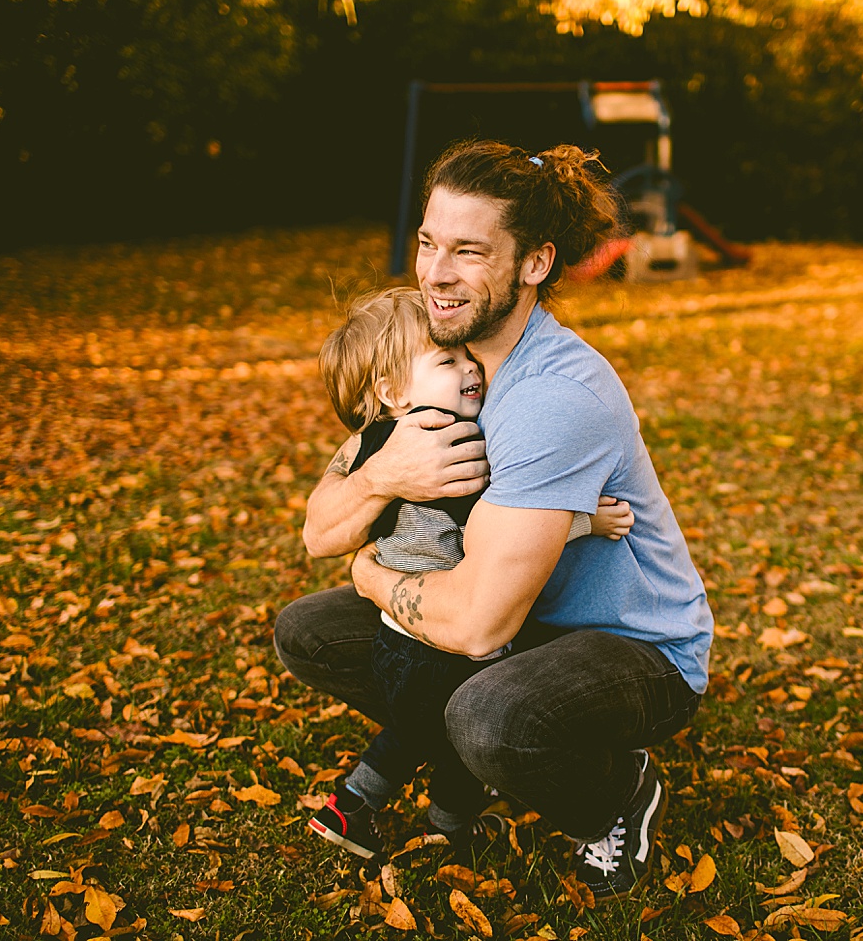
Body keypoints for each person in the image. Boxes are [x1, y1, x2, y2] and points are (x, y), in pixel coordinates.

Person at [276, 140, 713, 899]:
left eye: (469, 251)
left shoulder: (553, 397)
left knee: (490, 719)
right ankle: (483, 744)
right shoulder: (435, 354)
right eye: (428, 242)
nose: (435, 273)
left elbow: (476, 624)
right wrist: (384, 472)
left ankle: (616, 791)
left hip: (630, 644)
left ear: (535, 264)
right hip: (519, 619)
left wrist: (372, 575)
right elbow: (318, 531)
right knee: (308, 632)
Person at [304, 286, 633, 859]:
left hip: (395, 637)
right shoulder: (454, 442)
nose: (469, 368)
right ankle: (447, 824)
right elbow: (498, 521)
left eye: (466, 357)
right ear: (391, 391)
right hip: (445, 639)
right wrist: (587, 522)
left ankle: (354, 805)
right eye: (446, 361)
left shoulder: (374, 441)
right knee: (452, 735)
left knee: (416, 728)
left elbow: (348, 493)